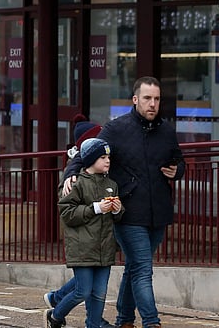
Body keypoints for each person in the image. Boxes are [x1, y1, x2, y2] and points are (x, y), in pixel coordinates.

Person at [63, 76, 185, 328]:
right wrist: (71, 173)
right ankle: (152, 322)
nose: (153, 104)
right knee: (142, 269)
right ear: (135, 99)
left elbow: (178, 159)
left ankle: (124, 319)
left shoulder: (166, 131)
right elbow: (88, 149)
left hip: (158, 212)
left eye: (157, 99)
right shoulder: (117, 128)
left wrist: (179, 170)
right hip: (127, 213)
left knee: (134, 268)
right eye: (147, 98)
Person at [45, 116, 117, 328]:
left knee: (99, 292)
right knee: (83, 291)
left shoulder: (111, 183)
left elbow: (115, 216)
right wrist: (96, 208)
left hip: (104, 247)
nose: (108, 160)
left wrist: (117, 208)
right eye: (102, 157)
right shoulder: (75, 181)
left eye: (108, 157)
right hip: (82, 247)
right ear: (90, 158)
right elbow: (66, 212)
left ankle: (92, 323)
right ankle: (55, 314)